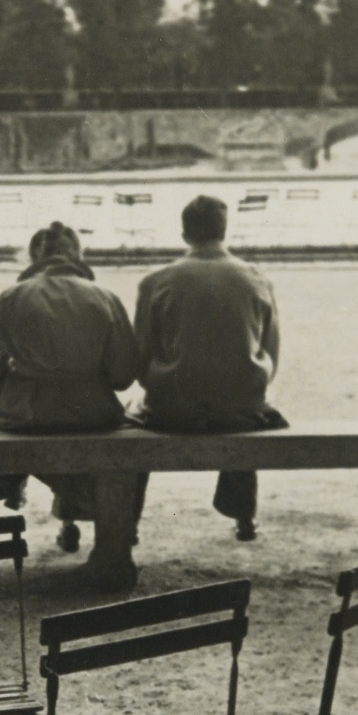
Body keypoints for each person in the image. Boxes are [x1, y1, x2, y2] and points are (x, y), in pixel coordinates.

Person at [0, 221, 142, 590]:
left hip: (25, 415)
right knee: (129, 428)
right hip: (91, 415)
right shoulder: (104, 297)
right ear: (78, 256)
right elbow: (123, 376)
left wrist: (20, 366)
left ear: (34, 256)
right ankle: (104, 537)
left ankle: (20, 491)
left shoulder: (11, 298)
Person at [130, 195, 285, 542]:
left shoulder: (155, 282)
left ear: (185, 234)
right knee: (244, 388)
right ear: (224, 231)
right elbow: (270, 356)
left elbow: (140, 359)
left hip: (174, 409)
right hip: (240, 411)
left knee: (132, 417)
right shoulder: (257, 279)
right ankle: (244, 515)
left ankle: (129, 523)